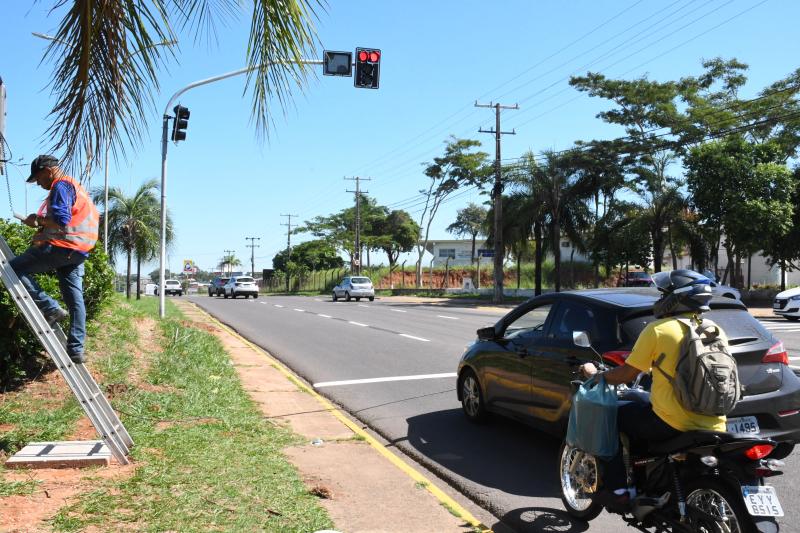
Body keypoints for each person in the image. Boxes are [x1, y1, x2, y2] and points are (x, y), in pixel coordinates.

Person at [580, 269, 726, 508]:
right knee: (640, 403)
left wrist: (599, 376)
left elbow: (627, 374)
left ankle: (618, 490)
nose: (659, 300)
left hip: (673, 421)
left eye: (663, 294)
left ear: (676, 297)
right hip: (715, 420)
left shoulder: (659, 329)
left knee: (608, 416)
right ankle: (648, 476)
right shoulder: (713, 329)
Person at [10, 155, 99, 364]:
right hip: (78, 253)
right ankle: (76, 349)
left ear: (48, 171)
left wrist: (36, 221)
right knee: (75, 302)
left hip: (62, 247)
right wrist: (42, 227)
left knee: (12, 269)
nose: (39, 184)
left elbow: (61, 220)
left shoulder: (61, 185)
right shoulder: (77, 187)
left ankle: (50, 307)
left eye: (38, 179)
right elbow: (69, 221)